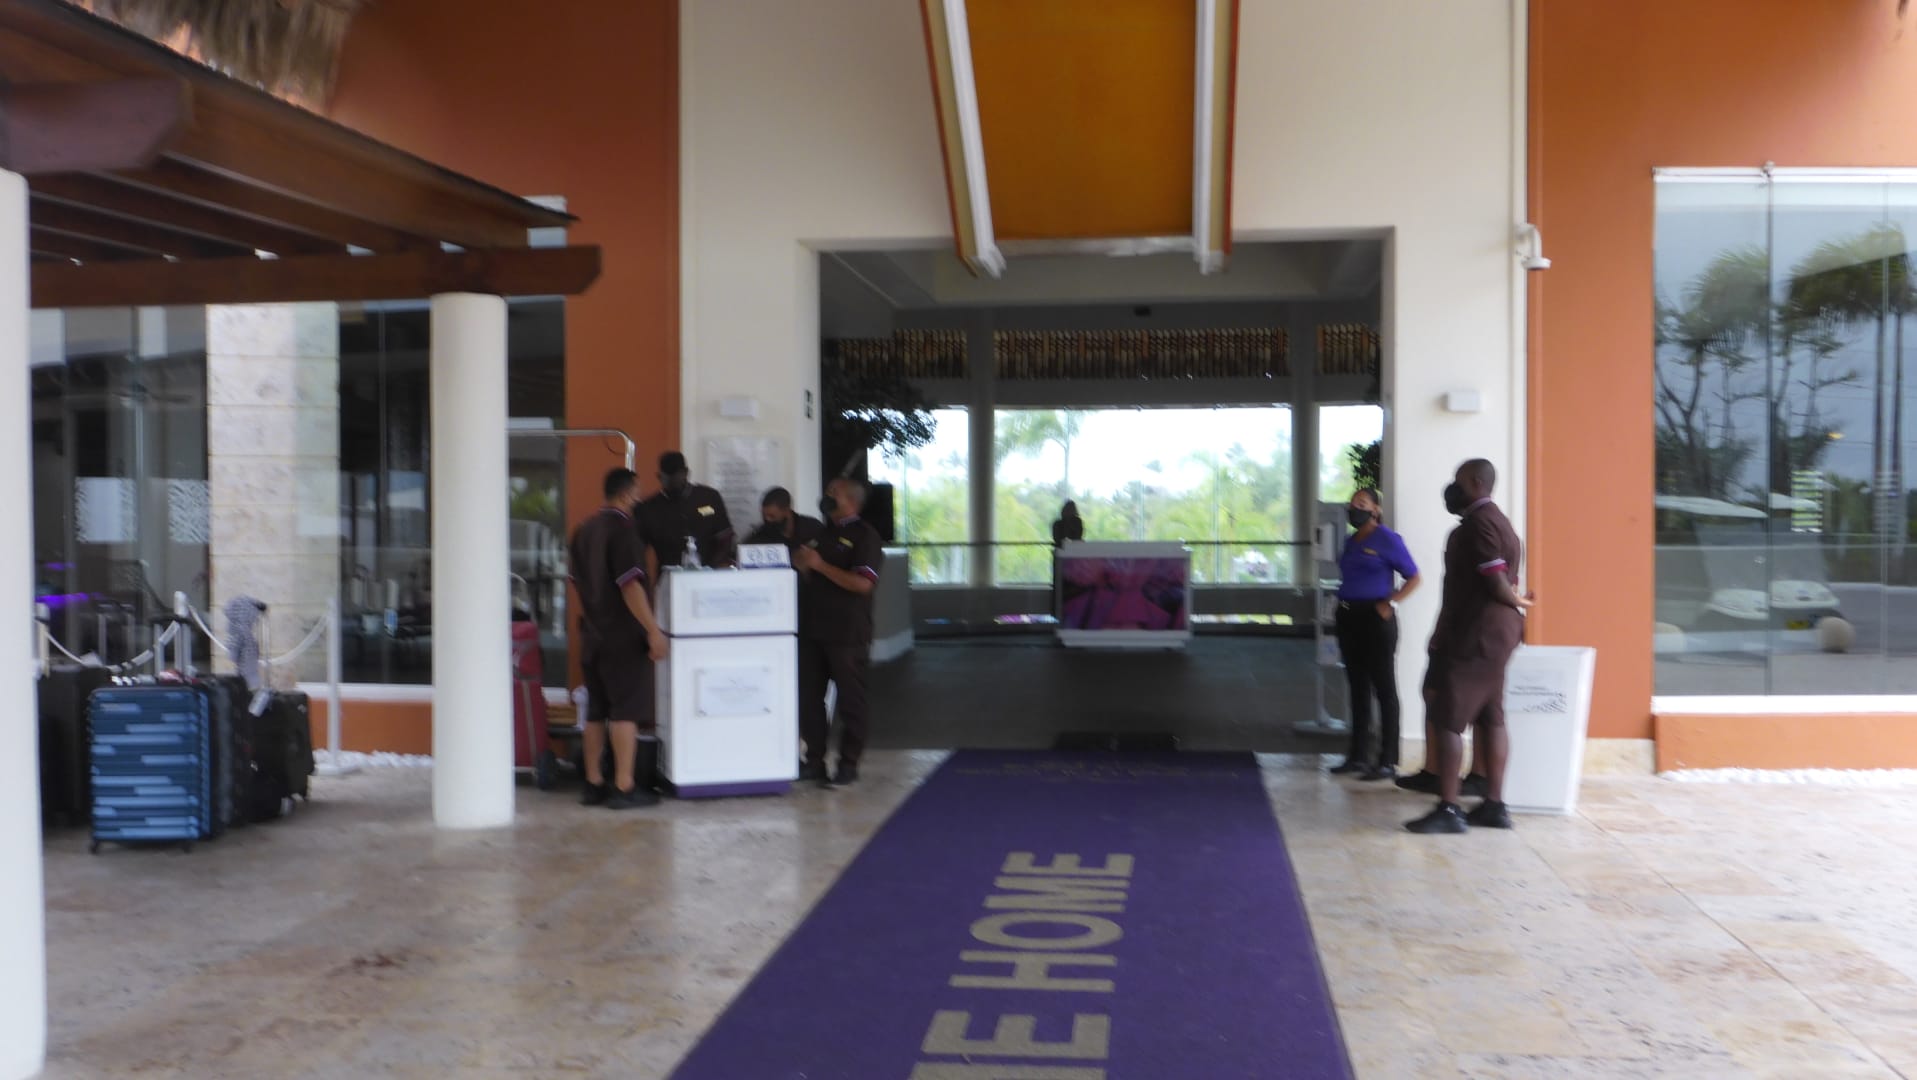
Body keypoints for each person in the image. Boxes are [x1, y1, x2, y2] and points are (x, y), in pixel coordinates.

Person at [1405, 459, 1535, 834]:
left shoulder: (1479, 524)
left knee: (1448, 717)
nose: (1453, 487)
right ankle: (1494, 805)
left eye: (1458, 481)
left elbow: (1495, 580)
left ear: (1477, 482)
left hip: (1476, 634)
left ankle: (1449, 808)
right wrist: (1515, 602)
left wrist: (1516, 600)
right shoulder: (1500, 521)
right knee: (1491, 716)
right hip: (1494, 636)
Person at [567, 467, 670, 810]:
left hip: (593, 633)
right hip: (622, 636)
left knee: (596, 711)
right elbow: (630, 587)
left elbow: (577, 582)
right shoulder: (624, 531)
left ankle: (593, 782)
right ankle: (624, 786)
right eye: (636, 492)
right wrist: (653, 630)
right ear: (627, 494)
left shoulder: (583, 530)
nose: (639, 498)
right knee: (625, 710)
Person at [792, 477, 885, 787]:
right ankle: (814, 761)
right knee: (810, 699)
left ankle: (848, 763)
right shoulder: (822, 534)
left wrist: (819, 566)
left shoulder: (865, 536)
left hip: (847, 633)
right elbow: (811, 575)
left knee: (851, 701)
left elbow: (863, 584)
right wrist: (804, 566)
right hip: (814, 630)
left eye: (836, 493)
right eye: (828, 492)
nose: (828, 496)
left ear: (852, 502)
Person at [1328, 488, 1421, 782]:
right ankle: (1358, 756)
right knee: (1357, 687)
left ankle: (1386, 761)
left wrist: (1391, 602)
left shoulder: (1387, 539)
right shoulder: (1350, 541)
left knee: (1384, 688)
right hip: (1348, 616)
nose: (1355, 508)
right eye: (1352, 504)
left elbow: (1414, 576)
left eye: (1362, 504)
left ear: (1376, 510)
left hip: (1375, 618)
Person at [638, 451, 736, 572]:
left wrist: (711, 568)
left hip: (708, 572)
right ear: (659, 477)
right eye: (669, 479)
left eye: (678, 477)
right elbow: (638, 550)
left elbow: (726, 537)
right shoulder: (648, 508)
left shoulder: (709, 497)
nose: (674, 483)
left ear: (686, 472)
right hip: (669, 576)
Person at [743, 487, 824, 552]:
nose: (767, 520)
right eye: (764, 516)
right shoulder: (761, 534)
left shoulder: (812, 527)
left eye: (772, 516)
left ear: (787, 511)